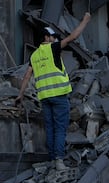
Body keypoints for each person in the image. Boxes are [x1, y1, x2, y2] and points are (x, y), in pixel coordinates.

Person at [27, 12, 91, 163]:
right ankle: (59, 159)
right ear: (46, 38)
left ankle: (51, 158)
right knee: (60, 128)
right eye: (53, 37)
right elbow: (73, 37)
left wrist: (21, 95)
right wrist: (85, 21)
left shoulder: (34, 55)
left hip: (45, 97)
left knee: (50, 128)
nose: (55, 39)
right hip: (59, 96)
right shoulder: (53, 48)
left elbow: (26, 76)